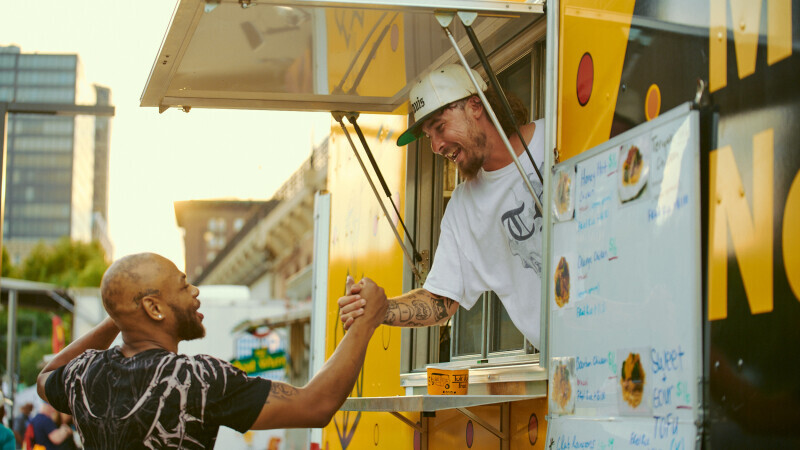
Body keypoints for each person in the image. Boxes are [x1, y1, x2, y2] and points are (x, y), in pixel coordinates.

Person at [36, 253, 387, 449]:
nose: (195, 292)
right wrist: (366, 321)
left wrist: (120, 315)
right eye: (184, 285)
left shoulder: (84, 374)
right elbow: (316, 406)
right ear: (153, 307)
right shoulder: (197, 380)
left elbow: (45, 377)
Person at [339, 64, 544, 349]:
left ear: (475, 106)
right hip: (566, 366)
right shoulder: (462, 208)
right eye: (428, 137)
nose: (435, 147)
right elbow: (442, 300)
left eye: (439, 127)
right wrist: (379, 309)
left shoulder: (558, 136)